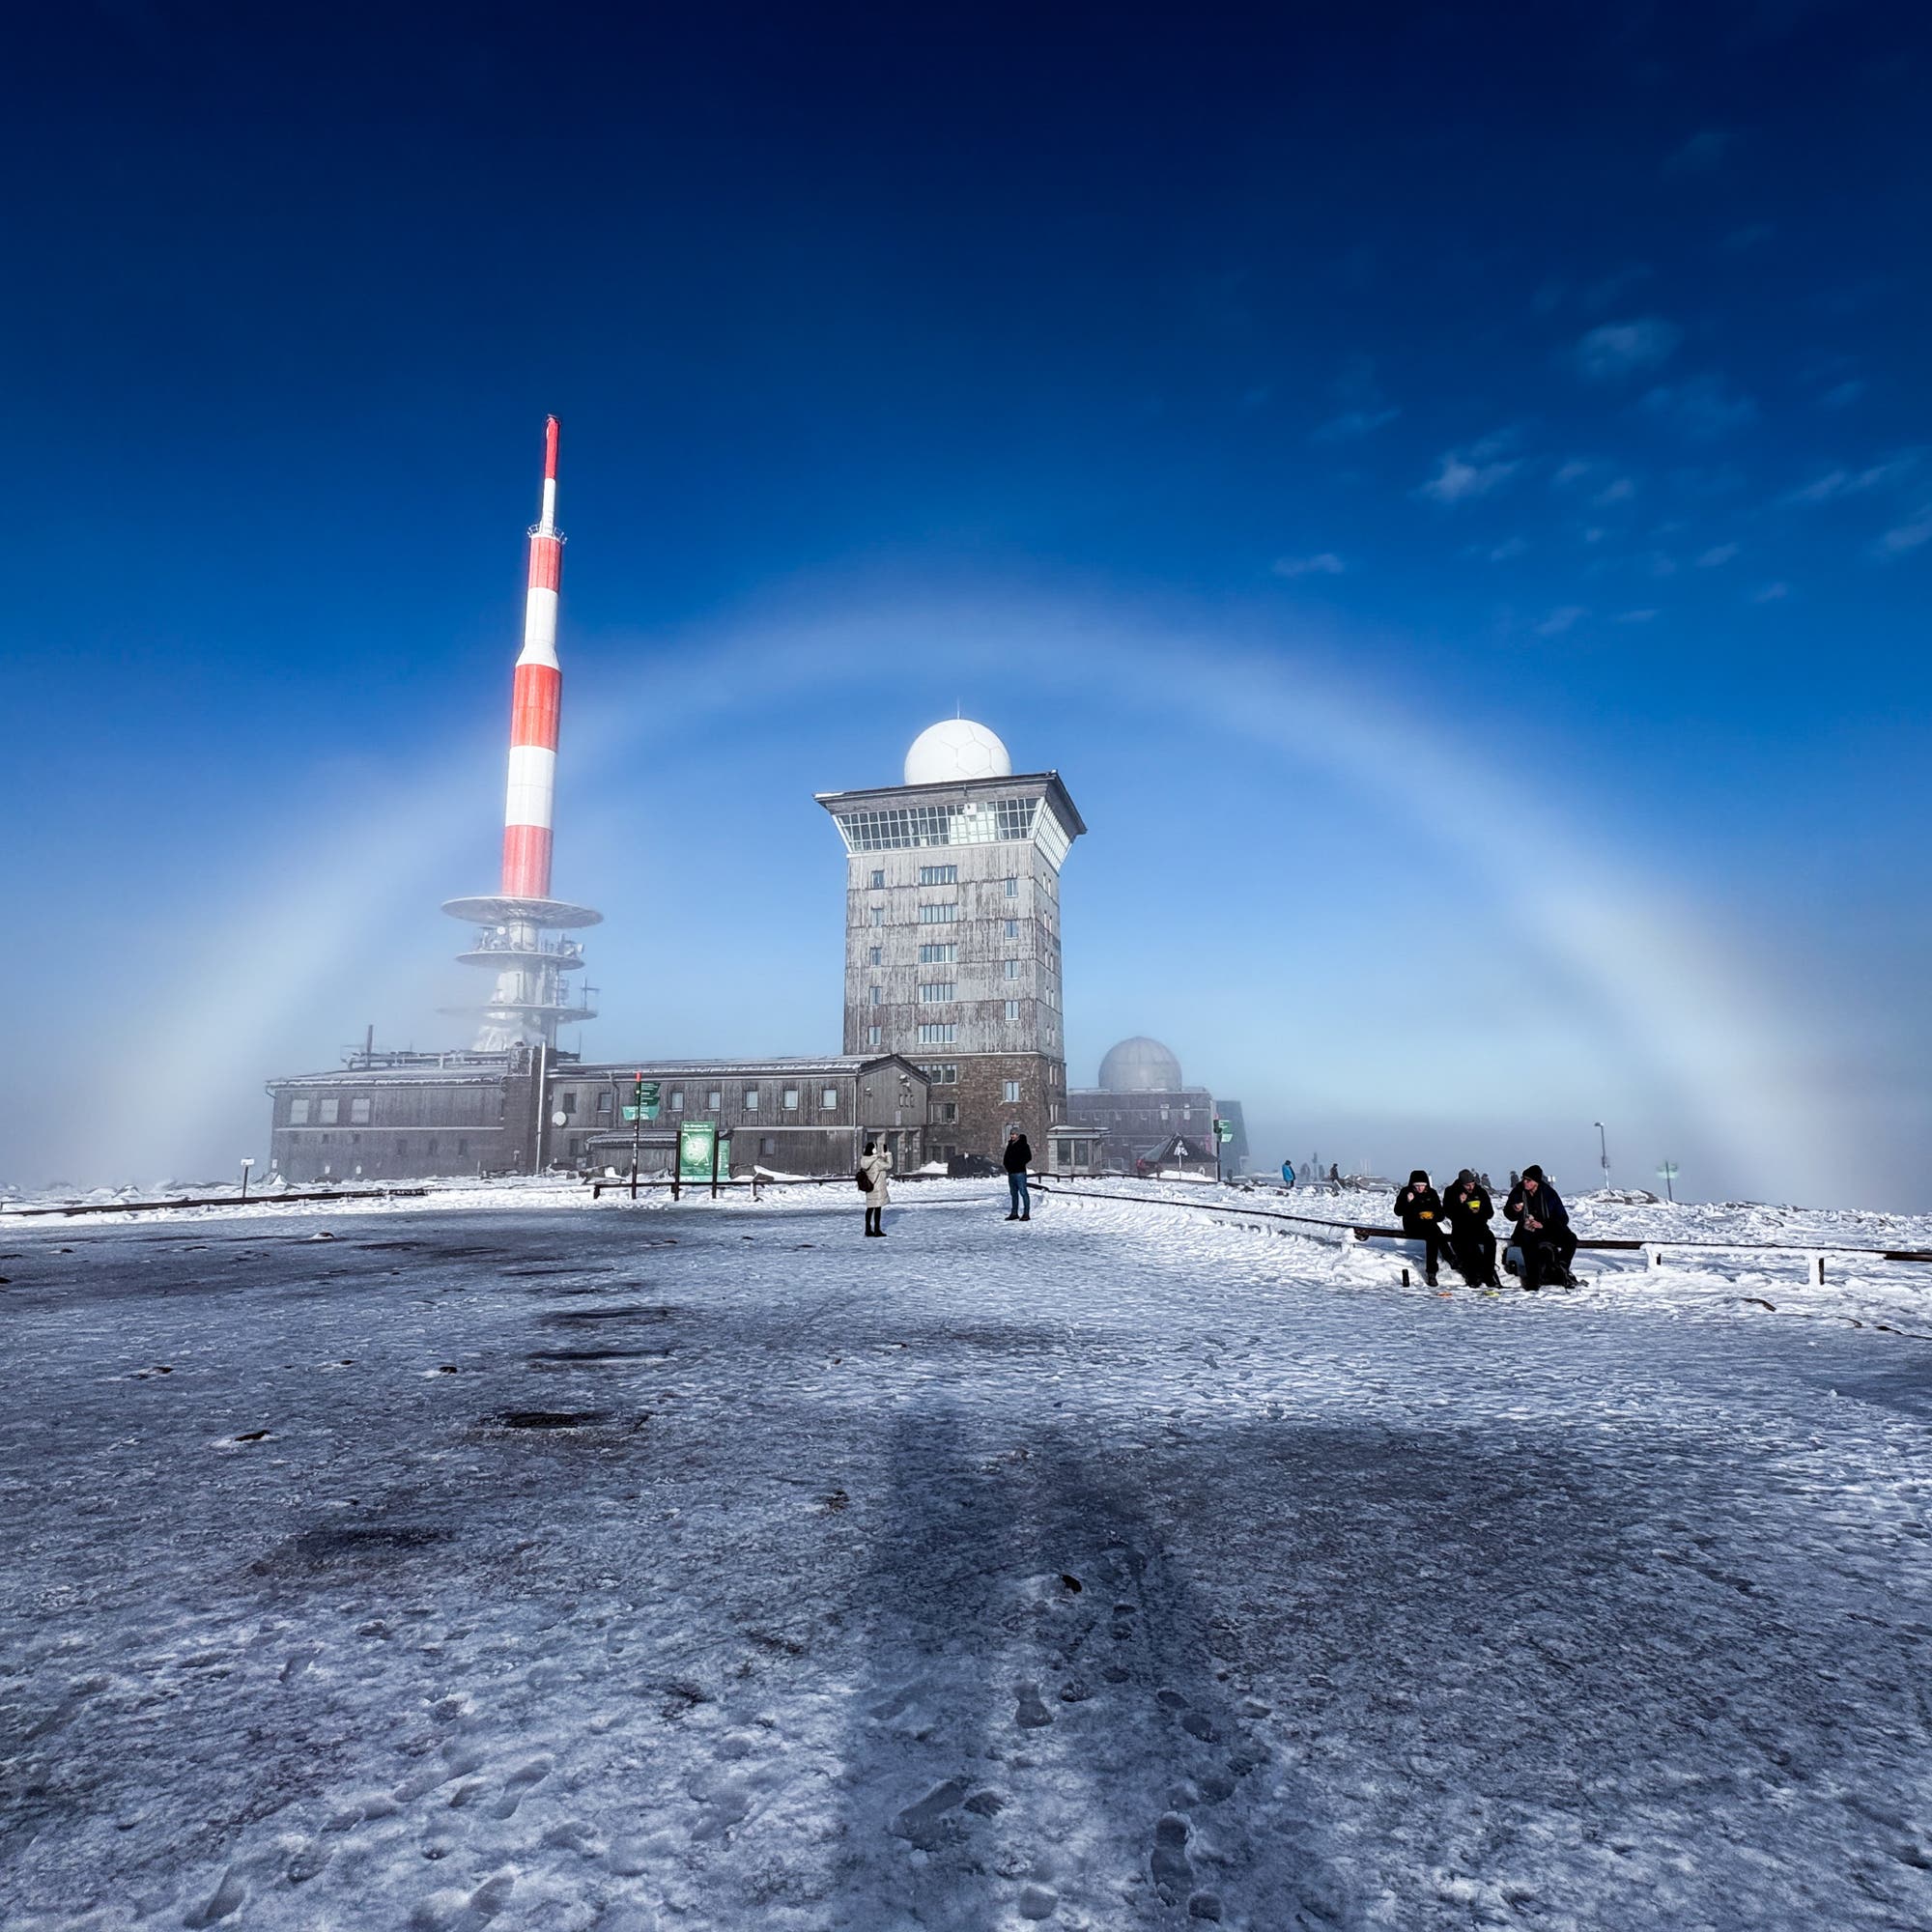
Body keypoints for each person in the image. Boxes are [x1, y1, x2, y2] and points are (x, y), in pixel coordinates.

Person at [1504, 1164, 1577, 1289]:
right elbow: (1509, 1215)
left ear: (1536, 1182)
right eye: (1524, 1179)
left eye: (1528, 1180)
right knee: (1528, 1243)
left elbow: (1563, 1218)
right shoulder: (1518, 1192)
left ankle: (1561, 1267)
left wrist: (1543, 1224)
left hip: (1547, 1229)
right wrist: (1515, 1210)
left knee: (1570, 1238)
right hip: (1525, 1230)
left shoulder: (1549, 1194)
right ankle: (1533, 1280)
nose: (1525, 1182)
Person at [1393, 1169, 1453, 1286]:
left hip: (1430, 1226)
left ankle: (1432, 1273)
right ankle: (1449, 1257)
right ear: (1412, 1185)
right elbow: (1398, 1211)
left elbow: (1441, 1215)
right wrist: (1409, 1202)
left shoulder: (1432, 1193)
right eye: (1417, 1186)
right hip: (1412, 1226)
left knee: (1433, 1235)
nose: (1420, 1188)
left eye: (1422, 1185)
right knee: (1434, 1232)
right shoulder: (1406, 1192)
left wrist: (1432, 1215)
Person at [1443, 1168, 1501, 1288]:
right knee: (1468, 1245)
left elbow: (1490, 1213)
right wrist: (1459, 1203)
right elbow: (1448, 1213)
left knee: (1490, 1242)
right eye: (1467, 1185)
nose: (1471, 1187)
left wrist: (1479, 1212)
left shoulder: (1480, 1192)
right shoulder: (1451, 1191)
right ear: (1461, 1183)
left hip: (1479, 1226)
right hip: (1461, 1227)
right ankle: (1473, 1276)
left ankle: (1489, 1273)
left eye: (1472, 1184)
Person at [859, 1138, 891, 1237]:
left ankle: (868, 1229)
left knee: (870, 1208)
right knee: (877, 1209)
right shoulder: (876, 1162)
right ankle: (877, 1230)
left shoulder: (864, 1160)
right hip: (877, 1187)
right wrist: (887, 1154)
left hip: (869, 1187)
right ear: (873, 1150)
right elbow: (889, 1165)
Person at [1003, 1126, 1034, 1221]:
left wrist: (1019, 1163)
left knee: (1023, 1192)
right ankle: (1014, 1213)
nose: (1012, 1136)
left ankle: (1026, 1213)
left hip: (1020, 1172)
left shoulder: (1024, 1145)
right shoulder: (1010, 1145)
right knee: (1013, 1193)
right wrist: (1007, 1166)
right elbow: (1006, 1158)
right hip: (1011, 1173)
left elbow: (1028, 1157)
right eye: (1011, 1134)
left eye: (1014, 1134)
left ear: (1018, 1135)